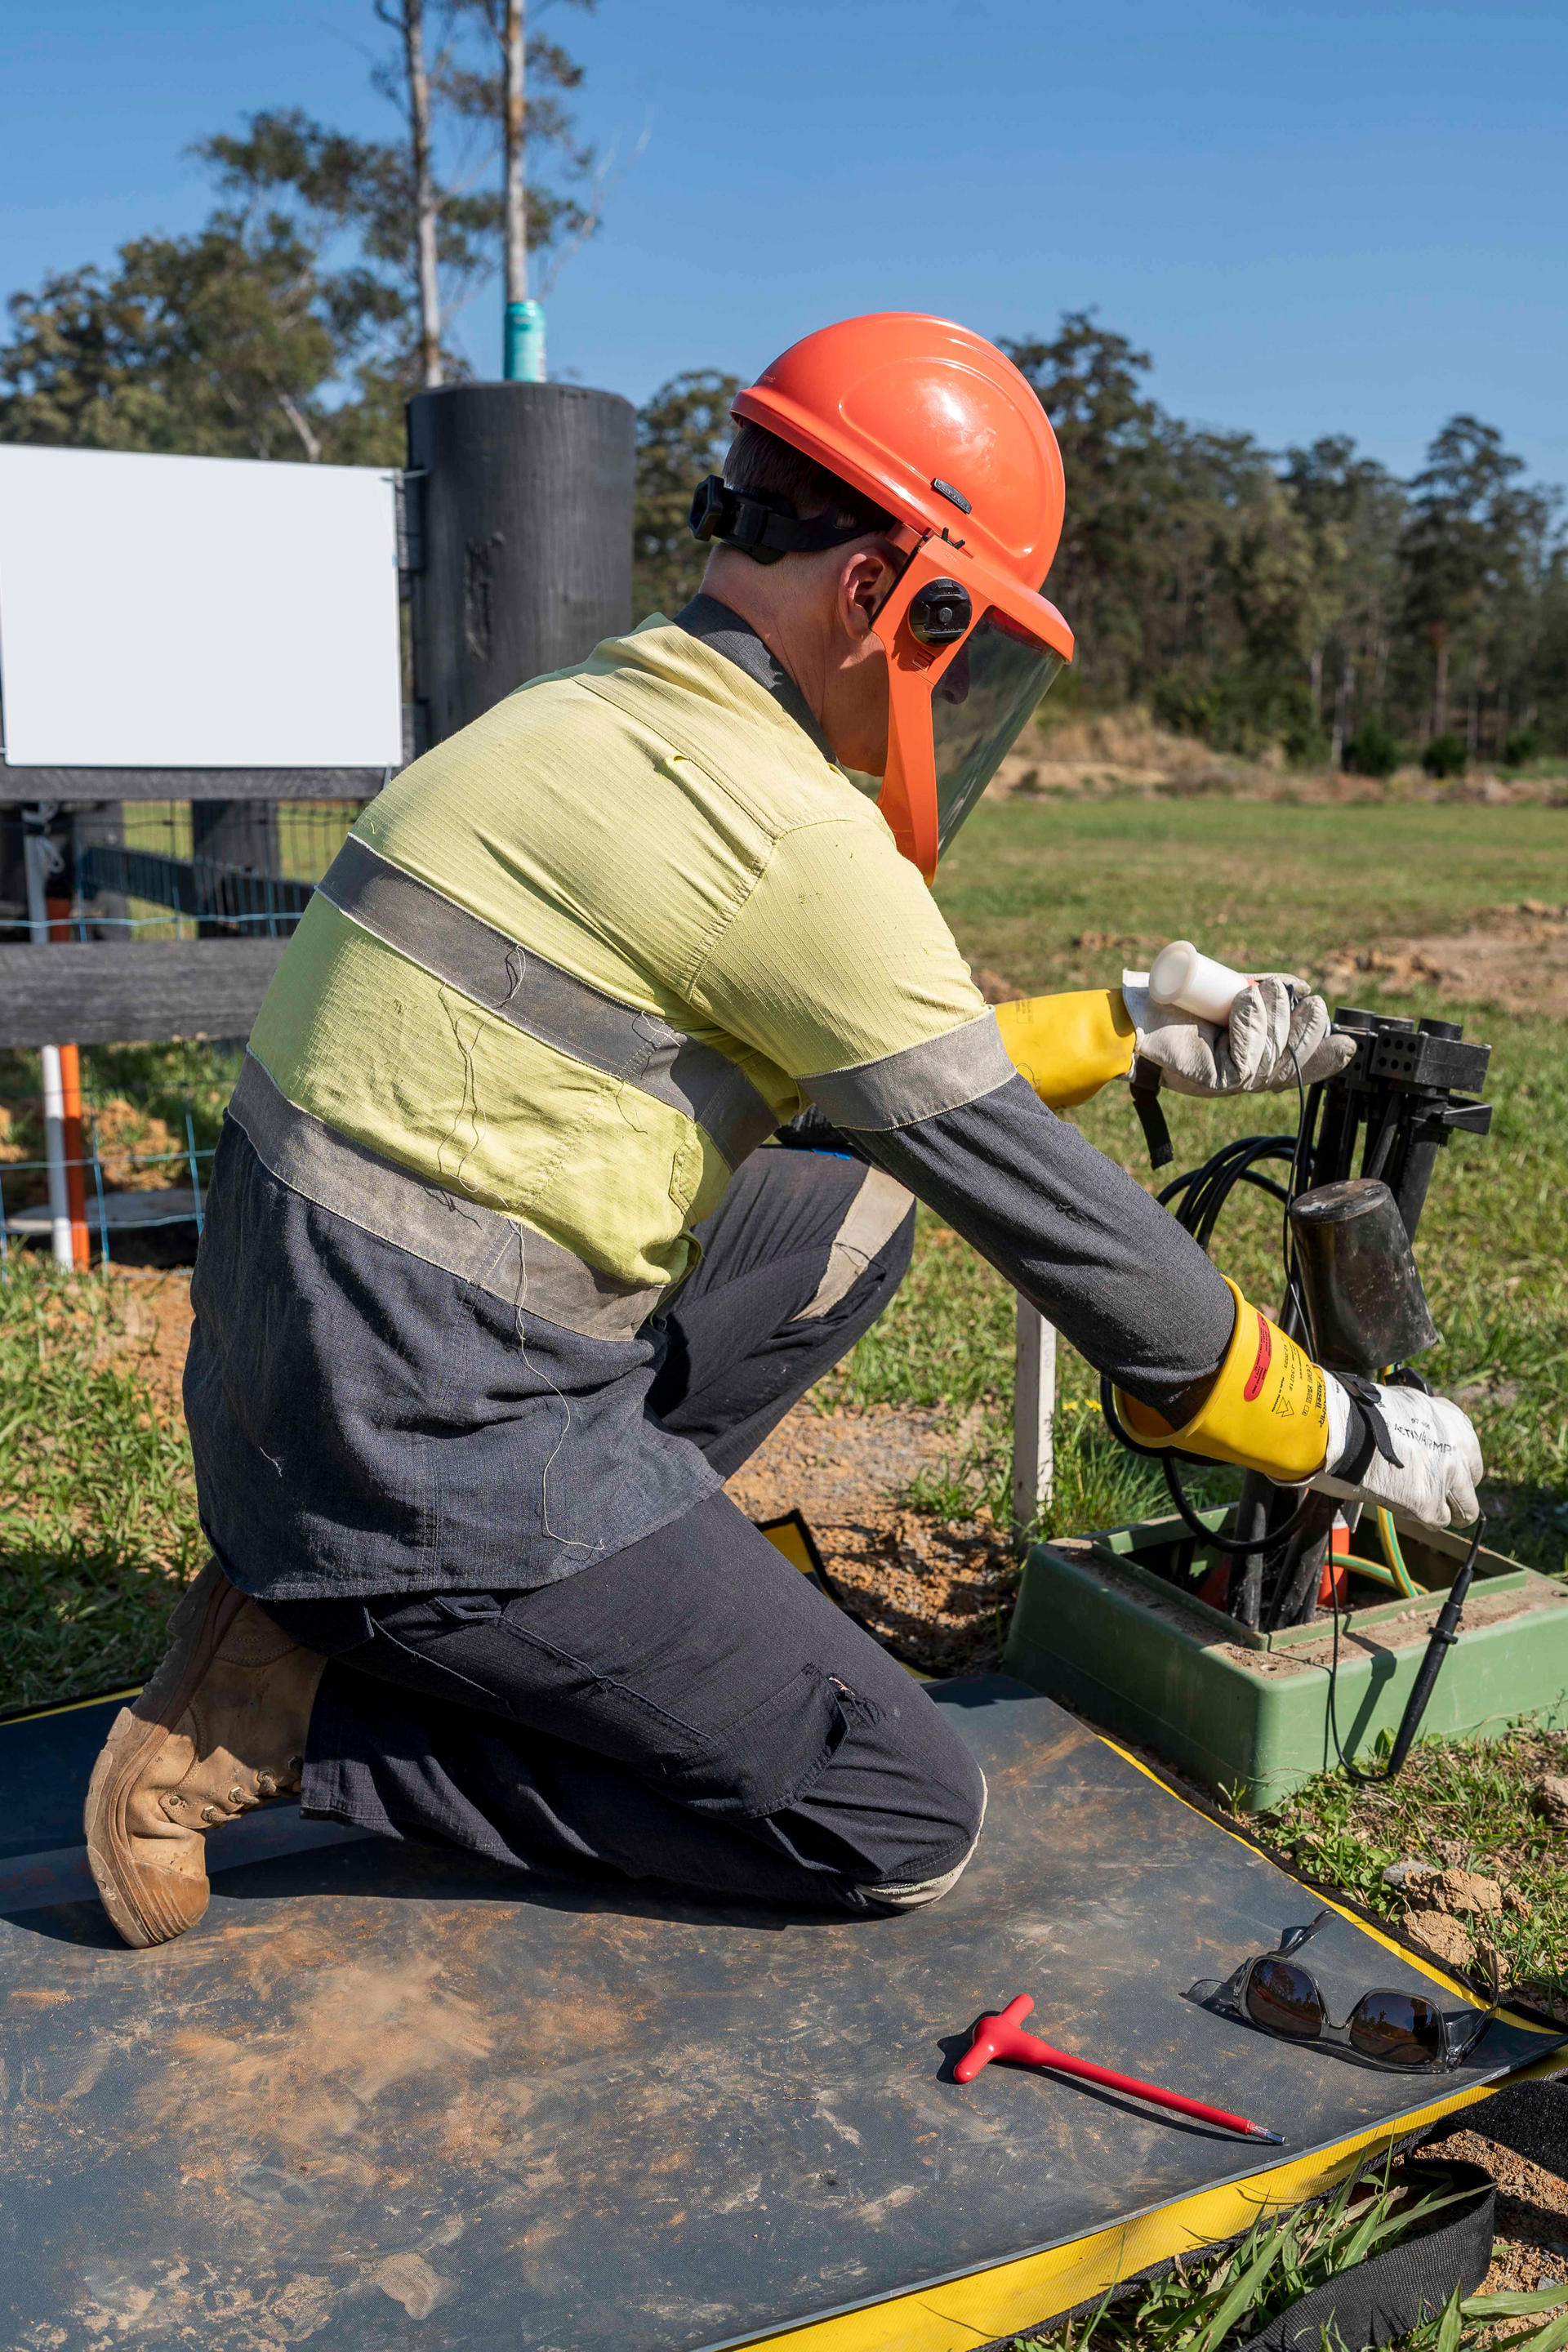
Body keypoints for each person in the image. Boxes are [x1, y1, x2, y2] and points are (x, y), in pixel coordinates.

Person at [83, 314, 1484, 1949]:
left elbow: (869, 1087)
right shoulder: (785, 834)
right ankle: (306, 1720)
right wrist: (1344, 1430)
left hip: (288, 1374)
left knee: (843, 1218)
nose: (956, 694)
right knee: (894, 1819)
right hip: (424, 1437)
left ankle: (450, 1610)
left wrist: (1128, 1030)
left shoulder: (584, 714)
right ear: (899, 591)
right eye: (968, 649)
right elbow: (1105, 1271)